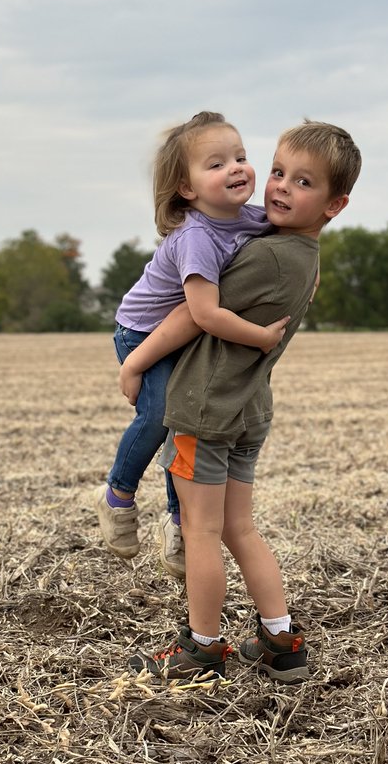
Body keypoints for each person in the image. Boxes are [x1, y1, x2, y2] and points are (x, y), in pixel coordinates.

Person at [122, 120, 362, 683]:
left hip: (205, 411)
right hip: (249, 408)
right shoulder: (304, 257)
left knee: (202, 533)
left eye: (303, 182)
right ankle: (280, 641)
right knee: (240, 529)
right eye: (278, 172)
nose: (279, 187)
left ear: (335, 204)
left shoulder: (263, 259)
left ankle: (202, 648)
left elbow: (192, 313)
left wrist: (134, 361)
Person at [94, 111, 290, 579]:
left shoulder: (251, 219)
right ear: (187, 188)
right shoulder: (198, 238)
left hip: (186, 334)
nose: (236, 168)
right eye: (216, 164)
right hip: (143, 330)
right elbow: (203, 313)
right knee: (162, 412)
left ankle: (177, 520)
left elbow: (290, 237)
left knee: (189, 420)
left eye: (240, 157)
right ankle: (117, 494)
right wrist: (260, 337)